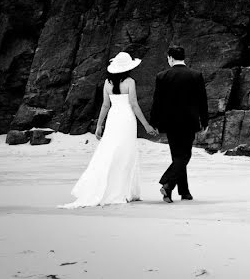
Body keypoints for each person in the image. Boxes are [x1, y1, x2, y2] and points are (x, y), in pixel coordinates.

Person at [59, 52, 158, 208]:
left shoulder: (107, 82)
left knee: (110, 149)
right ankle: (125, 191)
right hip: (126, 118)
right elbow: (133, 104)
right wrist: (146, 125)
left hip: (113, 118)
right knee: (126, 151)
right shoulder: (130, 82)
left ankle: (111, 188)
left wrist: (99, 125)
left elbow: (105, 105)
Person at [150, 45, 208, 203]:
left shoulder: (162, 76)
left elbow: (157, 102)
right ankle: (168, 184)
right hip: (189, 122)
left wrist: (153, 122)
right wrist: (205, 121)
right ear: (184, 57)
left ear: (170, 58)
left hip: (170, 122)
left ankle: (183, 191)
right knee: (184, 155)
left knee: (177, 156)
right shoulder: (196, 75)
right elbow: (202, 101)